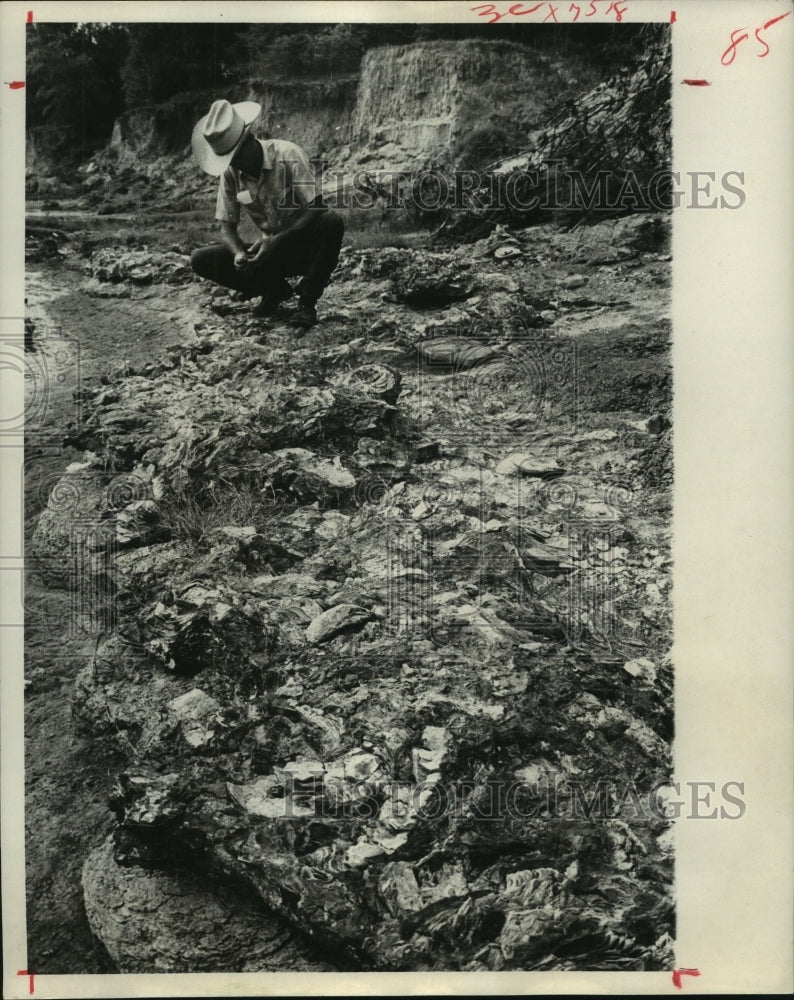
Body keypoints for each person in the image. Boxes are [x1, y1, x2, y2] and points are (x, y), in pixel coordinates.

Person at [189, 99, 344, 330]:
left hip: (305, 248)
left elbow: (318, 207)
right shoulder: (231, 173)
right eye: (229, 160)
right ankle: (274, 289)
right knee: (201, 259)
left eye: (237, 157)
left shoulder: (287, 154)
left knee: (332, 222)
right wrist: (239, 254)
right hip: (269, 254)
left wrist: (277, 240)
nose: (236, 165)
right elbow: (226, 227)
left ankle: (307, 303)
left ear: (250, 140)